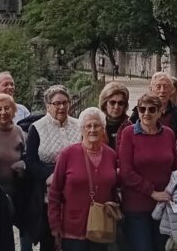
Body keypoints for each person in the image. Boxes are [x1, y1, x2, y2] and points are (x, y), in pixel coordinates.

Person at [48, 107, 119, 251]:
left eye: (97, 125)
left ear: (103, 128)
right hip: (73, 228)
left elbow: (113, 189)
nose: (92, 129)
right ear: (81, 129)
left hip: (101, 227)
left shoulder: (111, 155)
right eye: (88, 126)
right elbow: (55, 192)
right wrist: (55, 224)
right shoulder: (68, 154)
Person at [119, 93, 177, 251]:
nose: (146, 113)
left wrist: (174, 190)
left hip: (165, 204)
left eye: (152, 109)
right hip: (137, 206)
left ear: (160, 112)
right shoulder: (128, 133)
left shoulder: (168, 134)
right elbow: (126, 172)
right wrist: (152, 192)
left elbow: (175, 166)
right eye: (142, 109)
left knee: (163, 248)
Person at [25, 85, 81, 251]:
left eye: (65, 102)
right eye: (57, 103)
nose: (61, 107)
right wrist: (50, 176)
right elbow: (31, 160)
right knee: (49, 239)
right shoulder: (37, 128)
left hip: (75, 191)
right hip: (48, 191)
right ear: (47, 106)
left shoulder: (79, 125)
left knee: (73, 238)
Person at [0, 93, 28, 251]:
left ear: (14, 111)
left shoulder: (18, 131)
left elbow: (26, 155)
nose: (3, 112)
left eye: (7, 108)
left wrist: (23, 164)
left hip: (15, 190)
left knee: (18, 231)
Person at [131, 72, 177, 136]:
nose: (162, 90)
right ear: (151, 89)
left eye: (166, 86)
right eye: (158, 87)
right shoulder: (141, 110)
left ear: (171, 90)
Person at [98, 81, 130, 150]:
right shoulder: (96, 125)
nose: (116, 107)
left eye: (121, 103)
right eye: (112, 102)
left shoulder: (130, 126)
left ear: (125, 106)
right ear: (105, 104)